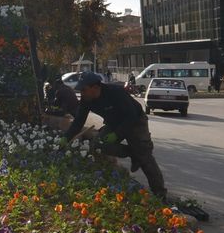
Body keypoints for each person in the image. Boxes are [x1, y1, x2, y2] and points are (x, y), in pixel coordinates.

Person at [63, 72, 167, 200]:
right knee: (99, 144)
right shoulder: (86, 99)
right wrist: (66, 137)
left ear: (95, 87)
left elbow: (131, 116)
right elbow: (79, 121)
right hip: (113, 123)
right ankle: (133, 153)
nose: (82, 93)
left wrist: (117, 134)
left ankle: (160, 194)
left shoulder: (115, 92)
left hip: (135, 121)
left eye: (84, 90)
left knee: (144, 156)